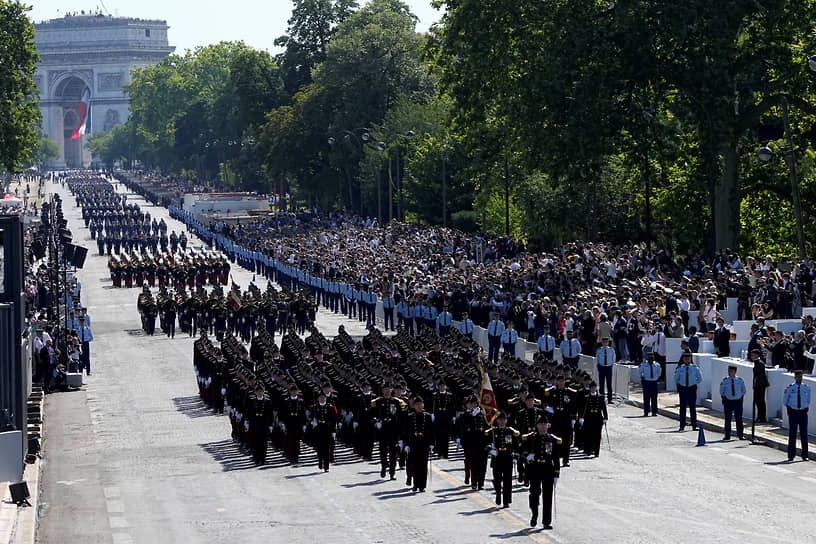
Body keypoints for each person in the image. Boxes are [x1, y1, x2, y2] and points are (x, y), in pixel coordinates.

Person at [522, 415, 561, 530]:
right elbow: (522, 451)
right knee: (534, 494)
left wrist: (556, 473)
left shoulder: (553, 439)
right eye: (541, 424)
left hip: (548, 469)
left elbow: (556, 458)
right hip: (535, 469)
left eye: (545, 424)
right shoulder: (531, 438)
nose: (543, 427)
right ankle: (534, 513)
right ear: (537, 426)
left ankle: (546, 521)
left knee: (548, 496)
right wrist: (527, 456)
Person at [485, 411, 519, 507]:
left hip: (507, 457)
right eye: (500, 420)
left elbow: (515, 445)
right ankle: (498, 494)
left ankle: (506, 500)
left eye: (504, 420)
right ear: (497, 421)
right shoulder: (493, 431)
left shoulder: (510, 431)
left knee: (507, 480)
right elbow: (486, 444)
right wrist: (490, 450)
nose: (502, 422)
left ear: (506, 421)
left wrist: (515, 457)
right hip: (497, 458)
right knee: (497, 480)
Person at [401, 395, 435, 492]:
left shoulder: (428, 416)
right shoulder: (410, 417)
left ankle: (422, 485)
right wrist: (406, 444)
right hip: (414, 443)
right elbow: (407, 432)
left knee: (423, 465)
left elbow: (432, 431)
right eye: (417, 405)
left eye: (420, 404)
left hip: (424, 443)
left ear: (423, 405)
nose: (419, 406)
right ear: (414, 406)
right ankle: (415, 484)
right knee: (415, 465)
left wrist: (432, 443)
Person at [372, 383, 405, 479]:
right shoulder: (377, 402)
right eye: (385, 389)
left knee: (393, 453)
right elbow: (371, 414)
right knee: (383, 451)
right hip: (382, 431)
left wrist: (400, 433)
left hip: (393, 431)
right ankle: (383, 467)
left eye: (389, 389)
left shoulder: (397, 402)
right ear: (382, 390)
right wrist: (376, 422)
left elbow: (401, 417)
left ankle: (392, 472)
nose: (387, 391)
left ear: (392, 390)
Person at [783, 370, 810, 462]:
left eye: (801, 377)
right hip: (793, 412)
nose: (800, 379)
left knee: (804, 434)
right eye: (798, 377)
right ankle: (791, 455)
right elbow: (785, 401)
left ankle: (805, 455)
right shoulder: (790, 388)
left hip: (803, 412)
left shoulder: (806, 388)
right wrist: (790, 410)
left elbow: (808, 400)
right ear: (795, 378)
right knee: (792, 434)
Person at [309, 390, 338, 472]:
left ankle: (326, 466)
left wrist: (334, 431)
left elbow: (334, 420)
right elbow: (310, 417)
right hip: (318, 430)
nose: (322, 399)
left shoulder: (331, 408)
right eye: (320, 398)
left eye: (323, 397)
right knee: (319, 448)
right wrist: (312, 421)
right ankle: (320, 461)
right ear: (318, 398)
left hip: (327, 430)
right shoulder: (314, 407)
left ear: (326, 398)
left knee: (327, 448)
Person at [674, 350, 702, 431]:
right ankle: (682, 425)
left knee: (692, 407)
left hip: (692, 389)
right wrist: (681, 384)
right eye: (685, 359)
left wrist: (693, 383)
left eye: (688, 359)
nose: (687, 360)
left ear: (690, 359)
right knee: (682, 408)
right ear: (683, 359)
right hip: (683, 389)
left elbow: (699, 378)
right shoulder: (680, 368)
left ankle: (694, 425)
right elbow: (676, 379)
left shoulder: (695, 368)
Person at [579, 381, 608, 457]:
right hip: (589, 419)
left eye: (595, 387)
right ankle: (588, 450)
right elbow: (583, 409)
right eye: (592, 388)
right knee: (589, 435)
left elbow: (604, 408)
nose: (593, 389)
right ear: (590, 388)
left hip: (598, 419)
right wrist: (581, 417)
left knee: (597, 436)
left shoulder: (600, 397)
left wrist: (605, 417)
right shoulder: (586, 397)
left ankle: (596, 451)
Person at [719, 365, 746, 440]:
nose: (730, 372)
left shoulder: (739, 380)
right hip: (728, 401)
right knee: (728, 419)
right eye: (729, 371)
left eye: (731, 371)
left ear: (735, 372)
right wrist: (725, 399)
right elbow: (722, 391)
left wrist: (740, 398)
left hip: (737, 401)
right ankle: (727, 434)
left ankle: (740, 434)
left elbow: (743, 390)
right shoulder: (725, 381)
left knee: (739, 419)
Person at [639, 352, 661, 416]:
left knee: (654, 398)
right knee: (646, 398)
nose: (650, 359)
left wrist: (656, 378)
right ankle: (646, 411)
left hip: (654, 382)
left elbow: (659, 373)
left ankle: (654, 411)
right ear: (647, 358)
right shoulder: (643, 365)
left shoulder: (657, 365)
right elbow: (640, 372)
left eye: (652, 357)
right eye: (649, 357)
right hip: (646, 382)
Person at [750, 349, 769, 423]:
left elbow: (760, 376)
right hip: (758, 385)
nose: (752, 357)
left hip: (760, 385)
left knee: (760, 401)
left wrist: (757, 384)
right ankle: (759, 416)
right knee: (758, 401)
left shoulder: (760, 363)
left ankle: (762, 417)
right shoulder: (756, 363)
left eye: (753, 355)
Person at [595, 337, 616, 403]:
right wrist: (598, 365)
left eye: (606, 342)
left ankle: (610, 399)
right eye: (604, 342)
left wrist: (611, 364)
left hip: (608, 367)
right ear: (602, 343)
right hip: (602, 367)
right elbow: (597, 358)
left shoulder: (611, 350)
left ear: (608, 343)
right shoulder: (599, 350)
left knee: (609, 383)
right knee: (601, 383)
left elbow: (613, 358)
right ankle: (601, 398)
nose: (605, 343)